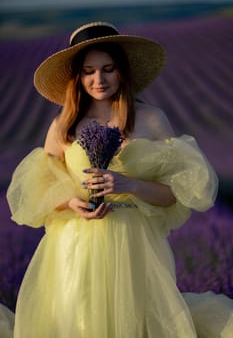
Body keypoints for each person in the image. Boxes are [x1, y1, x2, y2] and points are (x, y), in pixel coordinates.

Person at [2, 21, 233, 337]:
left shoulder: (150, 120)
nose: (99, 79)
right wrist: (70, 200)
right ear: (78, 77)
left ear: (122, 71)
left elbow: (174, 192)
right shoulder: (64, 125)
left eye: (108, 69)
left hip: (133, 241)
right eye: (89, 71)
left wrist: (129, 185)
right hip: (74, 244)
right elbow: (39, 188)